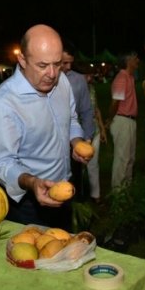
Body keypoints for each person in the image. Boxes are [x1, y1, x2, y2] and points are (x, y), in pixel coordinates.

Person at [0, 24, 89, 229]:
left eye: (57, 64)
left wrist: (76, 140)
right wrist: (33, 183)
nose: (52, 74)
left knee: (65, 256)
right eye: (42, 65)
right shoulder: (4, 103)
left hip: (64, 191)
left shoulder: (63, 82)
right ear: (22, 60)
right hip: (29, 204)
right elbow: (3, 163)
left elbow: (71, 119)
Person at [61, 38, 94, 199]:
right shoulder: (45, 80)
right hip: (53, 143)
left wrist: (86, 139)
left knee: (74, 184)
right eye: (64, 63)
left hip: (74, 139)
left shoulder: (79, 80)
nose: (68, 67)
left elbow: (86, 110)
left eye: (70, 63)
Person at [106, 50, 139, 190]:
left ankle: (126, 190)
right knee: (122, 159)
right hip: (122, 121)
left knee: (130, 159)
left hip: (129, 121)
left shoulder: (129, 77)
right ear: (127, 61)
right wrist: (109, 120)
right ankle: (117, 193)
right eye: (134, 57)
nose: (137, 59)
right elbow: (115, 102)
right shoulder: (122, 78)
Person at [82, 65, 107, 203]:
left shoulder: (92, 89)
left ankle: (95, 195)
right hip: (79, 135)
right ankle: (78, 195)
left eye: (90, 75)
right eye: (87, 75)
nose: (90, 78)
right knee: (79, 168)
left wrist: (102, 130)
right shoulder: (74, 91)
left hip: (94, 131)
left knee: (93, 163)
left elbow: (97, 109)